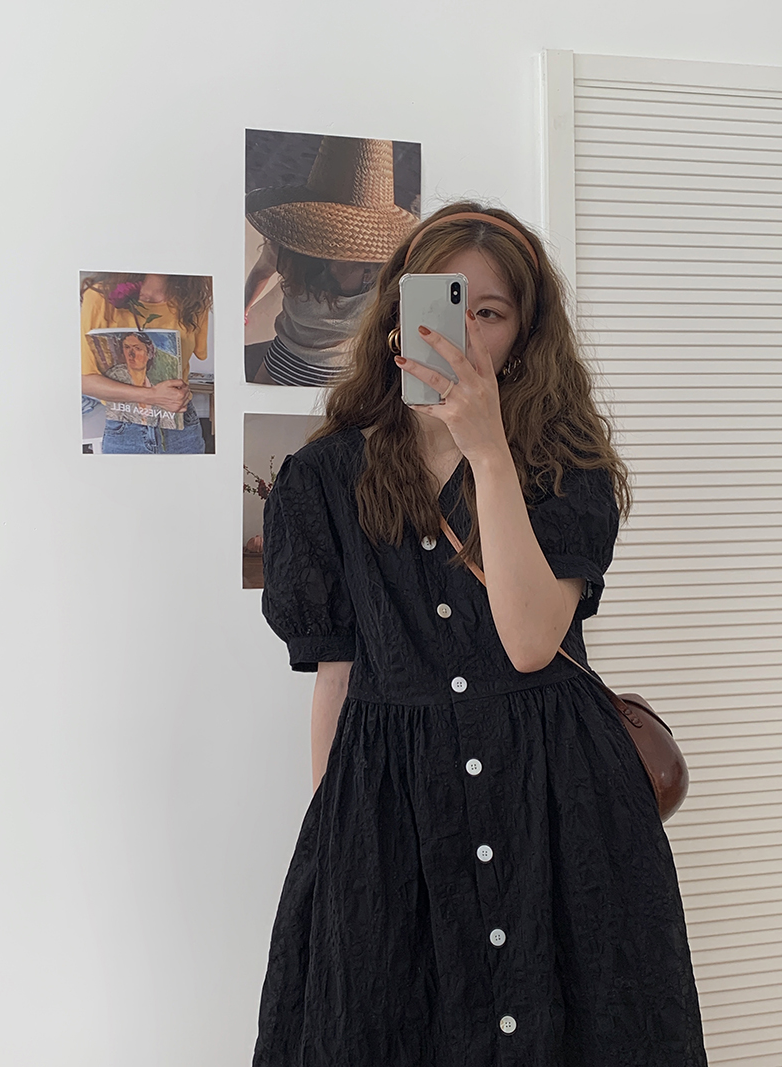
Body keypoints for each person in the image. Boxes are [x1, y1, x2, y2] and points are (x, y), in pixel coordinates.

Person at [253, 203, 708, 1066]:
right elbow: (336, 678)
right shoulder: (322, 479)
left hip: (559, 801)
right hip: (395, 808)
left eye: (489, 312)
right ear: (399, 315)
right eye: (444, 304)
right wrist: (338, 839)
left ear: (524, 334)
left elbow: (531, 640)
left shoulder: (563, 465)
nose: (461, 333)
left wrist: (489, 453)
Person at [244, 136, 419, 386]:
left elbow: (261, 273)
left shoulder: (287, 249)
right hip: (344, 374)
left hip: (286, 364)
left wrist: (244, 308)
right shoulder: (392, 267)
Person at [80, 273, 212, 454]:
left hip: (181, 428)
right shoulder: (99, 297)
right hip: (125, 429)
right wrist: (152, 396)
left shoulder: (193, 300)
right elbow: (85, 381)